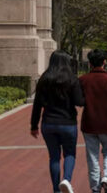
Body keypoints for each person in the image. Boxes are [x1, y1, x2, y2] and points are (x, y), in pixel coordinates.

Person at [31, 50, 85, 193]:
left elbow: (37, 104)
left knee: (54, 157)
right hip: (67, 122)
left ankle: (56, 190)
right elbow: (79, 102)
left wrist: (33, 125)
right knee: (70, 154)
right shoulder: (72, 79)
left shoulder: (44, 79)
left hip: (48, 123)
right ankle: (66, 180)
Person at [80, 49, 107, 193]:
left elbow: (79, 101)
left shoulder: (83, 80)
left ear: (90, 63)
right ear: (104, 62)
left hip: (89, 123)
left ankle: (95, 188)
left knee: (92, 157)